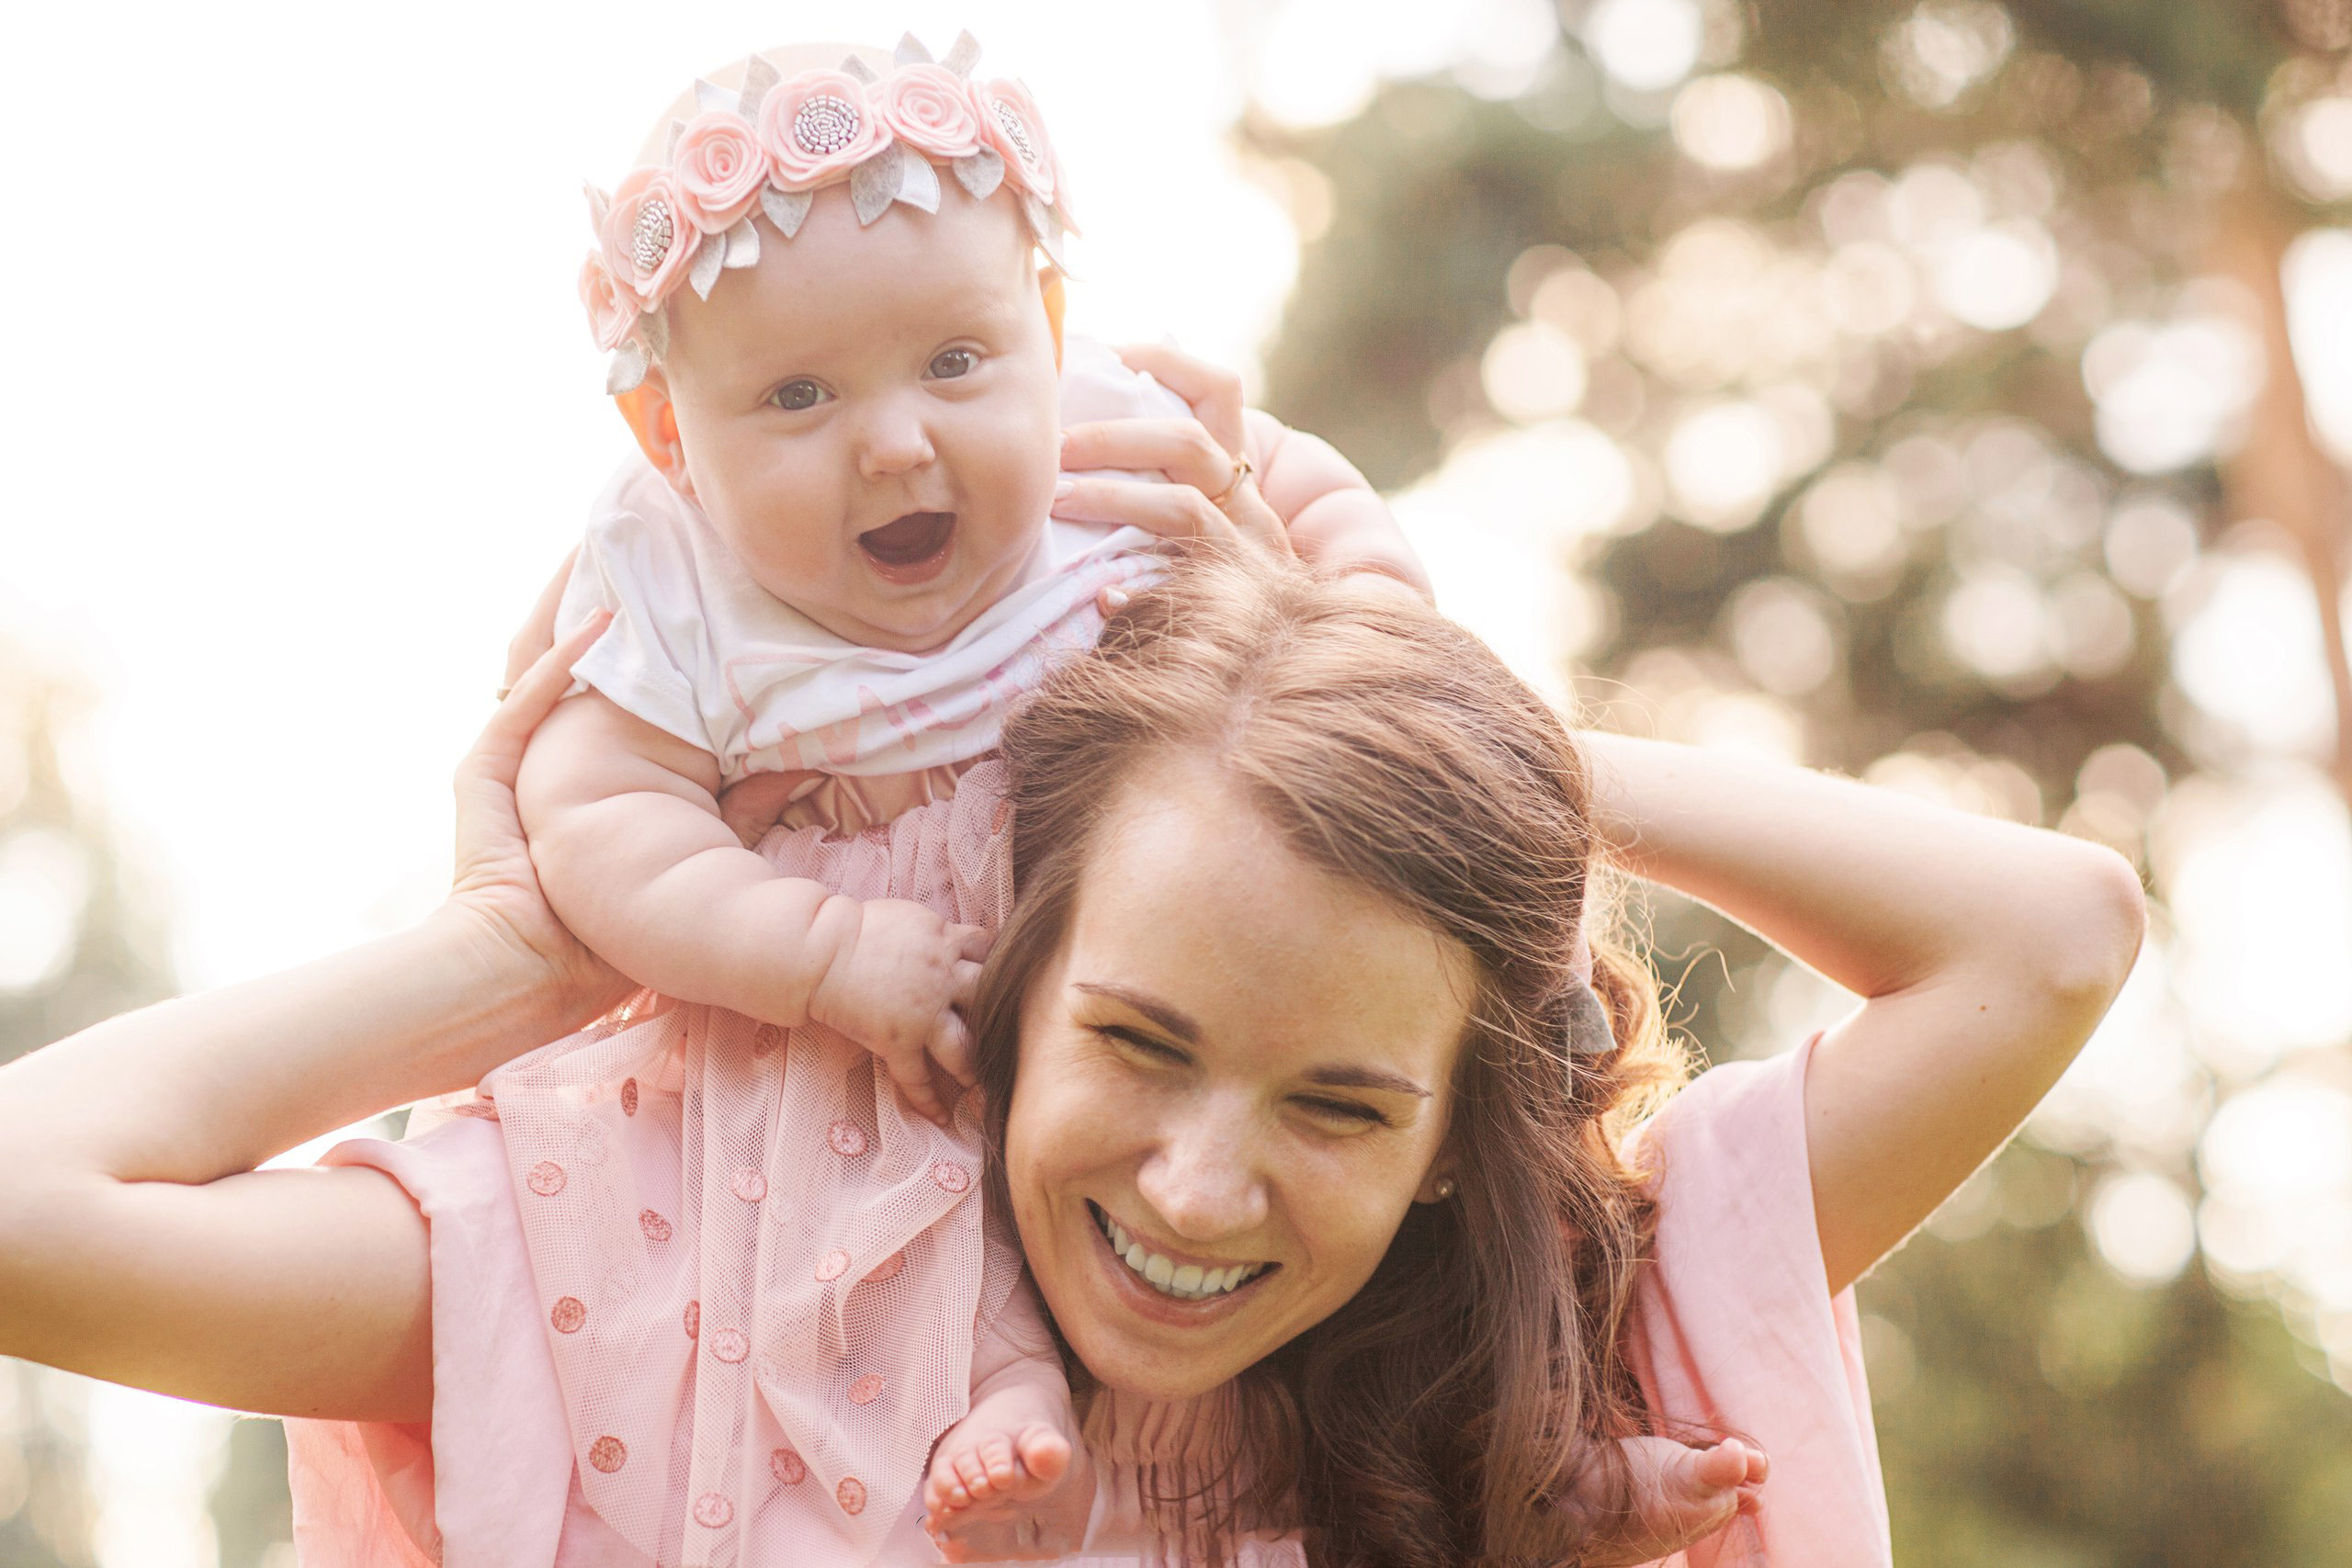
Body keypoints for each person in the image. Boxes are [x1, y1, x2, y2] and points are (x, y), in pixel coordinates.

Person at [0, 544, 2143, 1564]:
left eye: (1341, 1100)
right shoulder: (639, 1296)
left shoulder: (1535, 1363)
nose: (1203, 1189)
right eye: (1135, 1041)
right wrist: (517, 950)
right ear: (1004, 994)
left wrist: (1448, 747)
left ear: (1439, 1141)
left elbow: (2049, 932)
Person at [496, 32, 1433, 1560]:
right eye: (796, 396)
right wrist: (812, 954)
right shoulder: (670, 585)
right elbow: (601, 819)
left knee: (1424, 1124)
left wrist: (1363, 633)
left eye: (954, 362)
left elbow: (1318, 500)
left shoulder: (1120, 442)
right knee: (892, 1186)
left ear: (1048, 327)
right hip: (894, 1020)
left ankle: (1560, 1426)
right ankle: (998, 1400)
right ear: (674, 438)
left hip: (1185, 984)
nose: (896, 439)